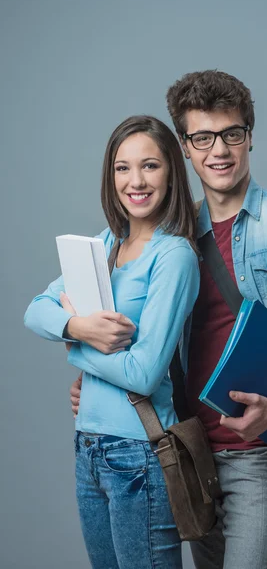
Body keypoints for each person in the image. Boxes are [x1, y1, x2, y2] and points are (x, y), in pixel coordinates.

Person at [70, 71, 267, 569]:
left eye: (232, 134)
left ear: (250, 136)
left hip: (259, 457)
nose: (218, 151)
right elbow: (140, 325)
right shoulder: (172, 235)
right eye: (202, 137)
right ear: (184, 146)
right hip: (186, 454)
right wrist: (94, 375)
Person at [24, 115, 200, 569]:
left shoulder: (174, 255)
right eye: (122, 168)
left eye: (150, 166)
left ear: (171, 174)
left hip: (141, 454)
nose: (135, 181)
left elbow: (144, 373)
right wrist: (80, 328)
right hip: (89, 449)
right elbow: (35, 310)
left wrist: (75, 349)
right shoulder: (105, 244)